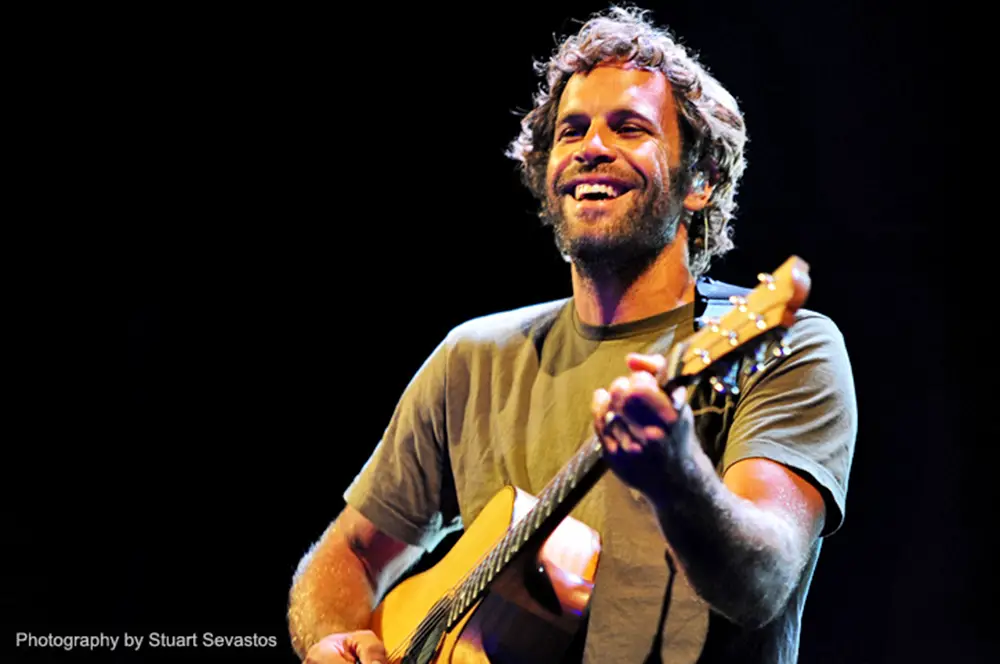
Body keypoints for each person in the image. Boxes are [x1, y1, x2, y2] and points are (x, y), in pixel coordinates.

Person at [286, 5, 857, 663]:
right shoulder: (474, 360)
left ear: (699, 180)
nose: (591, 146)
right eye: (572, 130)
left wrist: (677, 475)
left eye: (629, 127)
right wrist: (331, 640)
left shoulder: (782, 345)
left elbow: (763, 582)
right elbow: (349, 555)